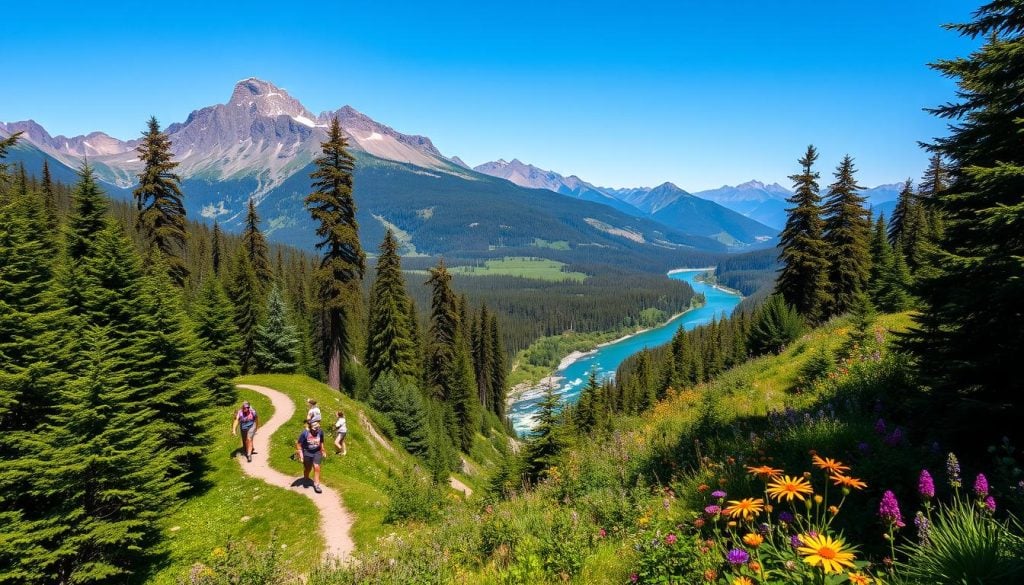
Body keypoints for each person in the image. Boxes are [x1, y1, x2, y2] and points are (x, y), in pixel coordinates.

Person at [296, 420, 327, 493]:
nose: (317, 430)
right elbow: (299, 444)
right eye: (315, 428)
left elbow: (321, 441)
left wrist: (323, 450)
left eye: (318, 428)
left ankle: (316, 485)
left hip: (317, 452)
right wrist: (301, 455)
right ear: (310, 428)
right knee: (308, 468)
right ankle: (306, 477)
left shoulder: (320, 432)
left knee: (317, 467)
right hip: (307, 452)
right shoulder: (305, 433)